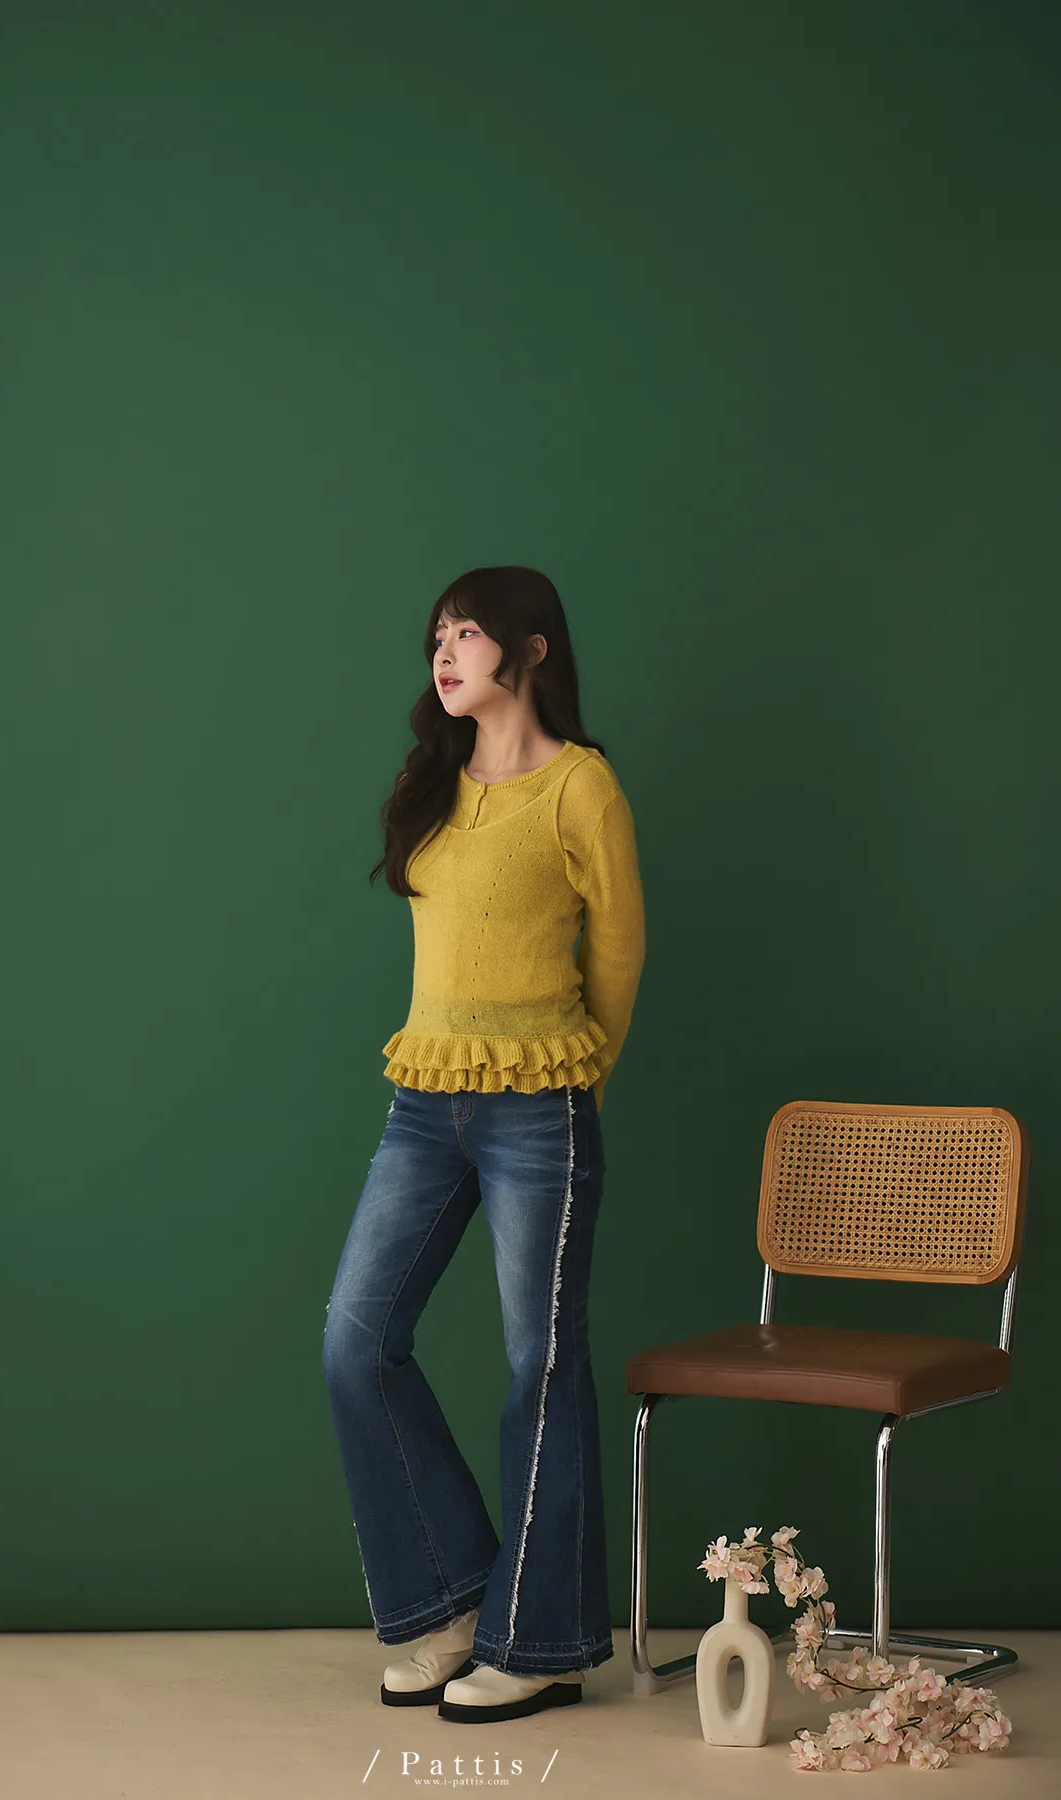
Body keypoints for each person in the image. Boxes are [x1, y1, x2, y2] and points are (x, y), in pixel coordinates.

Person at [321, 565, 646, 1725]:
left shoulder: (581, 787)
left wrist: (576, 1079)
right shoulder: (436, 777)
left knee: (540, 1363)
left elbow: (620, 951)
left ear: (533, 648)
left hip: (538, 1105)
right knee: (355, 1343)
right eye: (438, 637)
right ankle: (453, 1603)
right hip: (423, 1096)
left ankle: (544, 1643)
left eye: (467, 632)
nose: (445, 653)